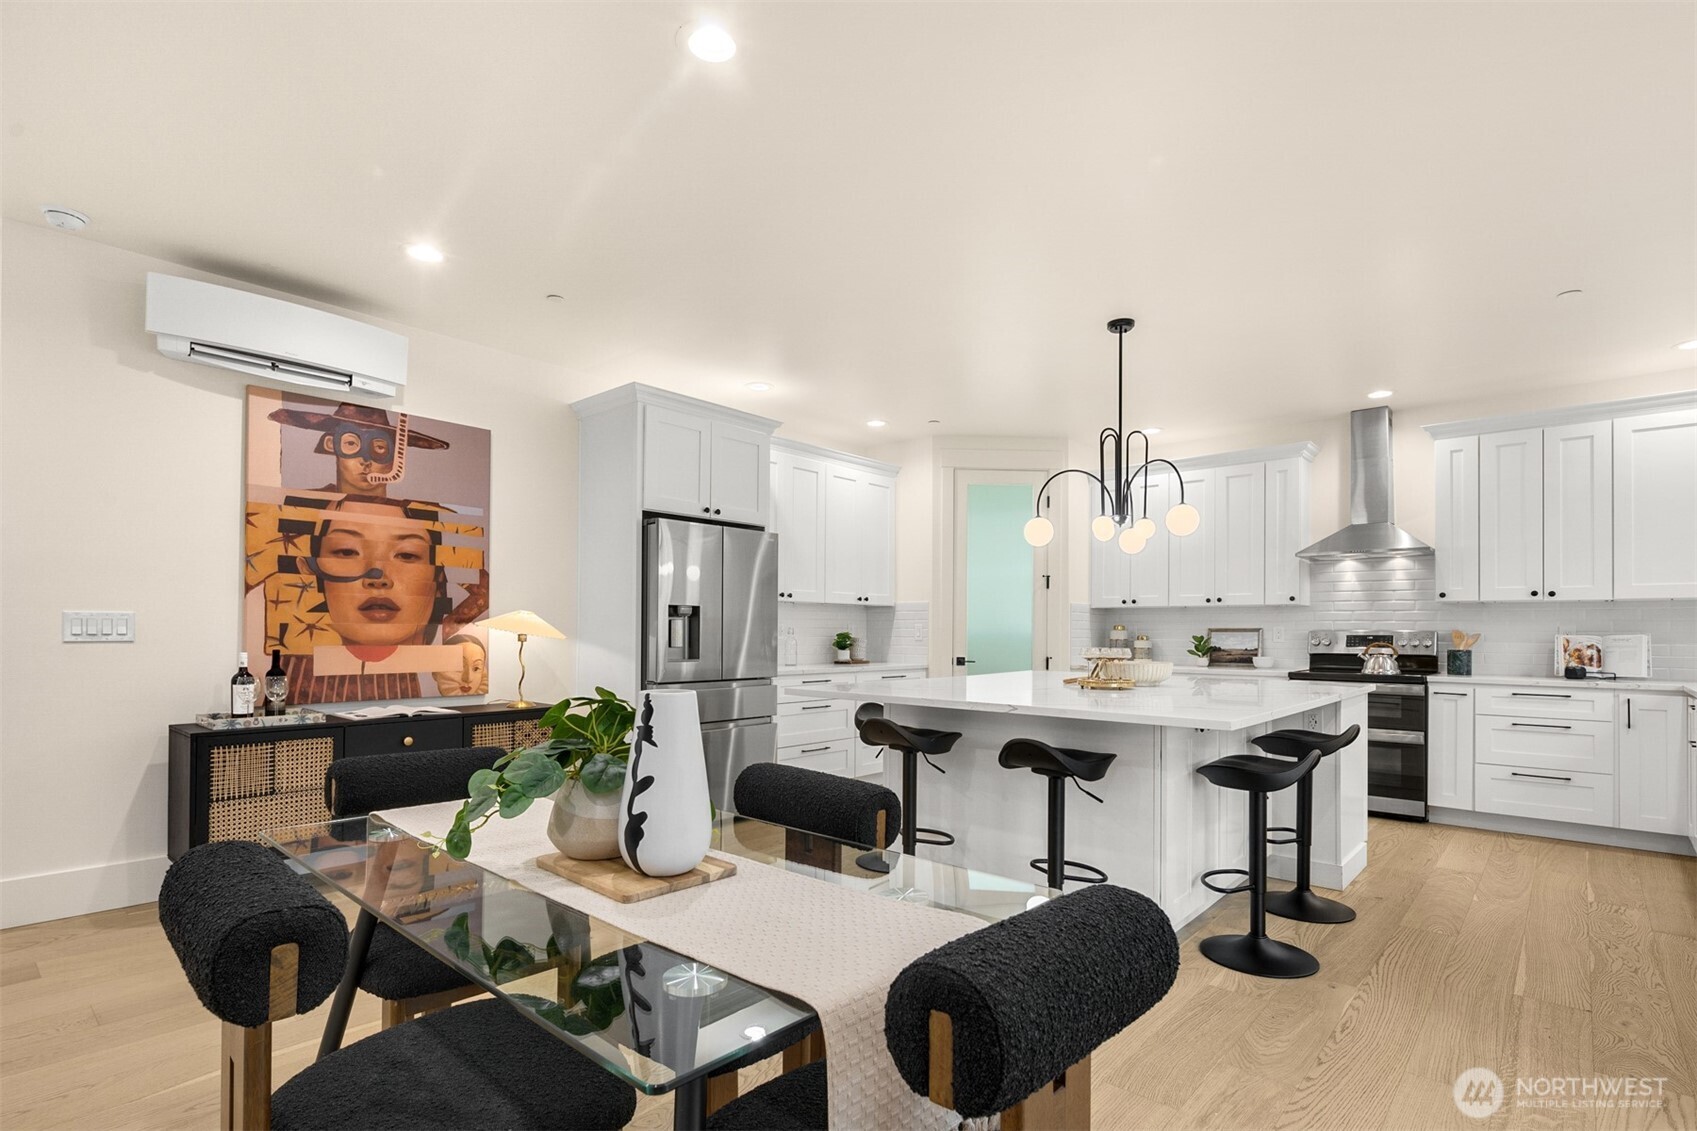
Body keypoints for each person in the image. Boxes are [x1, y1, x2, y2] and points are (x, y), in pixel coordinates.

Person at [267, 402, 450, 497]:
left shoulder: (413, 516)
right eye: (351, 444)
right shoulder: (304, 504)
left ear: (395, 454)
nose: (365, 460)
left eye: (379, 447)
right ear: (331, 445)